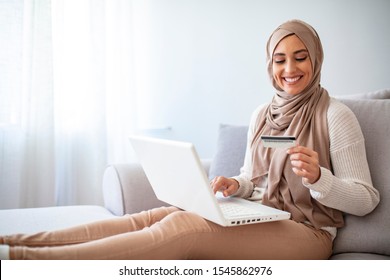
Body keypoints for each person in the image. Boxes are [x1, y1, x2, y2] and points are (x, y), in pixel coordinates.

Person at [0, 19, 380, 260]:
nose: (290, 69)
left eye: (300, 58)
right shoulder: (262, 114)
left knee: (181, 229)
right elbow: (254, 178)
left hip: (309, 234)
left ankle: (23, 259)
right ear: (270, 64)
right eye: (280, 59)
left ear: (316, 61)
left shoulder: (335, 115)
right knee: (154, 216)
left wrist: (320, 180)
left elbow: (365, 199)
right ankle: (18, 241)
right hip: (265, 214)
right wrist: (237, 184)